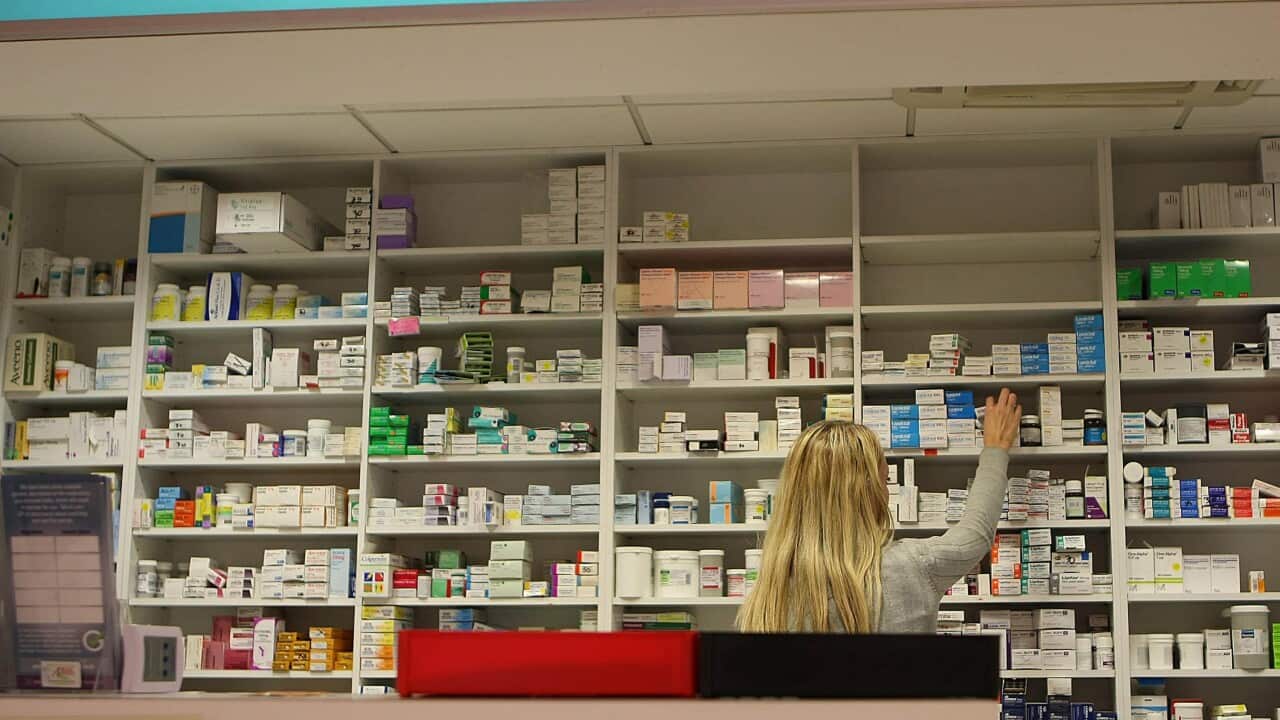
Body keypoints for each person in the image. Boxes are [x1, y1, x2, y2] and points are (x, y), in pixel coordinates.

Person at [738, 388, 1022, 633]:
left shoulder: (766, 599)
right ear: (865, 493)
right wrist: (996, 450)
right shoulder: (911, 566)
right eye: (884, 481)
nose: (887, 492)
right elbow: (976, 534)